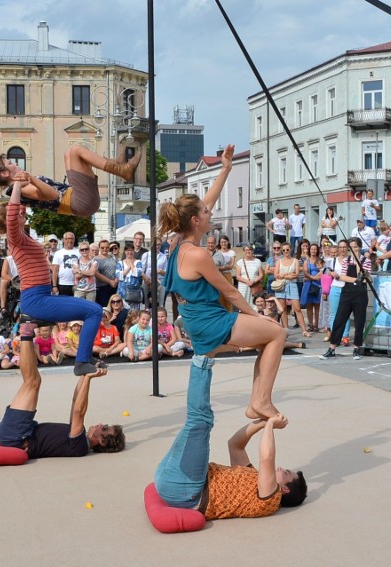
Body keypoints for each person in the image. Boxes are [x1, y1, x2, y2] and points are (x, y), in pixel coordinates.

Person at [158, 144, 286, 420]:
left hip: (195, 318)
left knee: (266, 341)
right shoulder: (198, 254)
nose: (211, 214)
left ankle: (258, 401)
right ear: (195, 220)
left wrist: (226, 169)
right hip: (209, 322)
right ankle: (260, 402)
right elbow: (230, 290)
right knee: (276, 333)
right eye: (206, 214)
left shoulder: (176, 242)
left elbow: (207, 202)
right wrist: (259, 316)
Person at [154, 349, 307, 517]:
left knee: (201, 420)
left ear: (284, 489)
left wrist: (271, 424)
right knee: (202, 420)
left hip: (187, 489)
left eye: (285, 473)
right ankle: (203, 355)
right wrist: (261, 423)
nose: (280, 468)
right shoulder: (253, 477)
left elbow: (267, 457)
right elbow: (235, 445)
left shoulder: (270, 497)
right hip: (176, 479)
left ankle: (203, 356)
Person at [0, 177, 104, 377]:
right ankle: (82, 361)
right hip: (36, 300)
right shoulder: (14, 237)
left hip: (41, 296)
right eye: (18, 211)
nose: (22, 211)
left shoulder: (22, 236)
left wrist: (26, 186)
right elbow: (12, 213)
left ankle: (85, 358)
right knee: (94, 311)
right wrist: (17, 184)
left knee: (94, 310)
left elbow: (20, 208)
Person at [0, 325, 125, 458]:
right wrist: (86, 374)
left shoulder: (80, 447)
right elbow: (75, 403)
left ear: (102, 442)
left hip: (16, 437)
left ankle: (26, 331)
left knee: (32, 382)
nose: (101, 424)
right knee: (34, 381)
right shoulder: (79, 436)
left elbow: (79, 412)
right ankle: (26, 332)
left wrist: (89, 377)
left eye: (105, 429)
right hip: (20, 431)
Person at [0, 144, 140, 220]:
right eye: (10, 163)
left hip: (77, 198)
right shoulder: (18, 188)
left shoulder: (20, 186)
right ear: (6, 173)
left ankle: (116, 165)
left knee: (68, 153)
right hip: (78, 202)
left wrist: (31, 179)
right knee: (75, 151)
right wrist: (32, 178)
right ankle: (120, 170)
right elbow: (53, 194)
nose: (15, 163)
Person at [319, 237, 372, 361]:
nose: (353, 250)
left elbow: (366, 278)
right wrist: (356, 279)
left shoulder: (366, 260)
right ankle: (332, 348)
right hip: (347, 292)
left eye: (355, 247)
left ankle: (357, 348)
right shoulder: (347, 260)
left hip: (360, 294)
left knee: (359, 321)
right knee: (339, 319)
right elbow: (342, 277)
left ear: (359, 247)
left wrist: (362, 273)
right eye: (351, 247)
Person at [273, 242, 310, 336]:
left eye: (287, 250)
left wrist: (284, 275)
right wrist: (288, 275)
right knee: (283, 309)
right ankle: (286, 330)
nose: (286, 252)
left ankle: (304, 330)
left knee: (297, 308)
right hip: (281, 286)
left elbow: (296, 275)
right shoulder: (279, 261)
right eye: (284, 250)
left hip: (292, 285)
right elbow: (276, 275)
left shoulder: (295, 261)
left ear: (291, 250)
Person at [93, 239, 118, 308]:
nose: (105, 249)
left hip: (114, 286)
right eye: (102, 247)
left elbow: (119, 268)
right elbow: (96, 274)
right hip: (102, 288)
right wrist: (110, 282)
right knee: (104, 309)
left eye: (107, 247)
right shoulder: (95, 259)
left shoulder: (113, 257)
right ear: (99, 248)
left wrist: (116, 279)